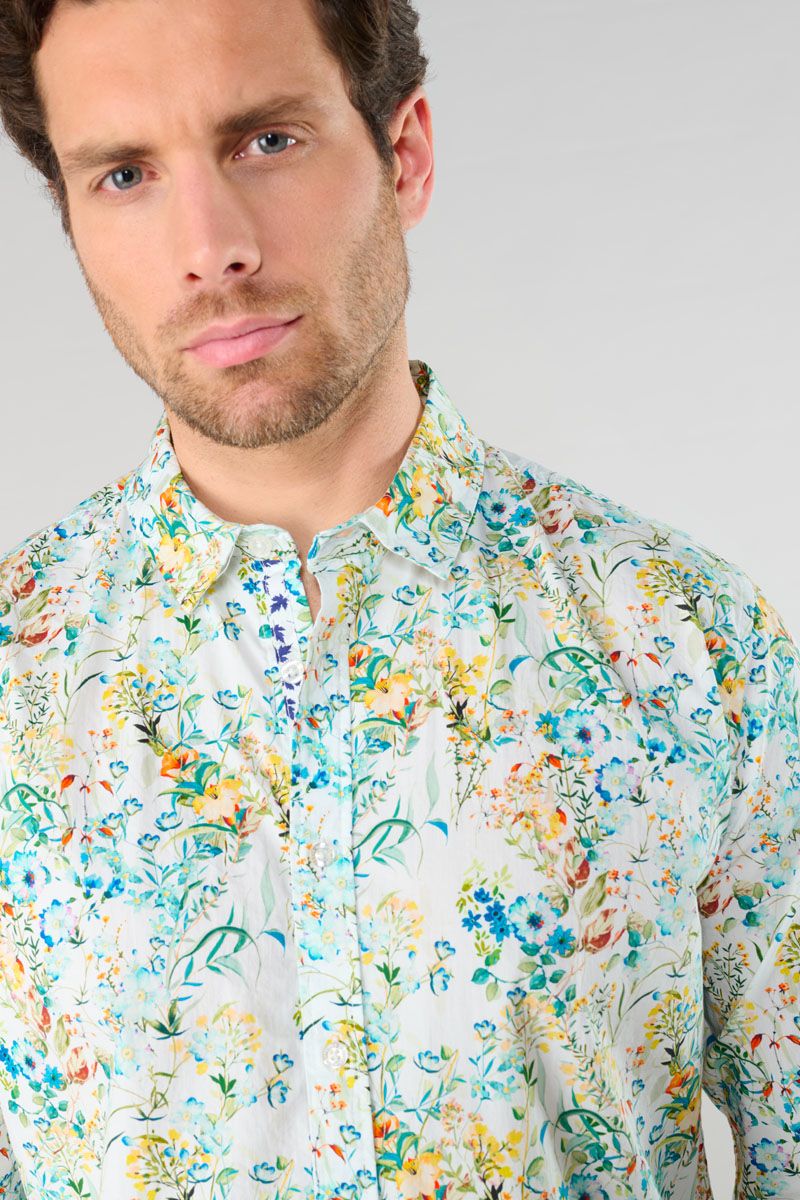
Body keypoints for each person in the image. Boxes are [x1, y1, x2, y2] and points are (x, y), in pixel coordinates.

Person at [0, 0, 798, 1197]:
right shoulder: (15, 669)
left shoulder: (683, 636)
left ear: (403, 151)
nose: (209, 247)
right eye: (125, 174)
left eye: (266, 140)